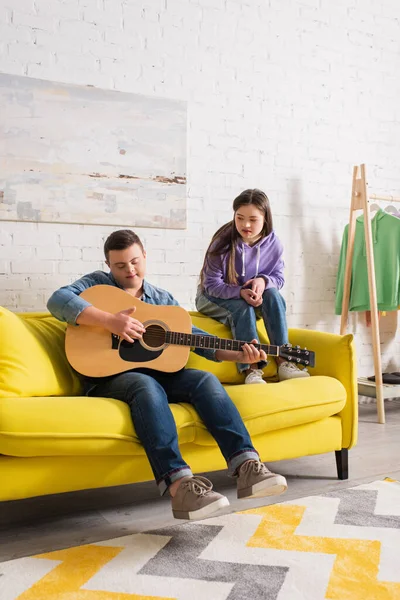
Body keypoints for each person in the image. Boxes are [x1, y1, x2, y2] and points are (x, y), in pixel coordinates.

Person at [47, 229, 288, 521]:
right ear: (109, 265)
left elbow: (195, 337)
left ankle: (247, 467)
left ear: (145, 256)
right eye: (120, 266)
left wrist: (237, 354)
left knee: (204, 380)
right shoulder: (97, 285)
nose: (130, 270)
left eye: (135, 261)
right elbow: (58, 300)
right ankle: (180, 486)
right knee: (145, 385)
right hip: (108, 377)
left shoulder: (162, 298)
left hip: (160, 375)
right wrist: (110, 321)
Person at [196, 188, 310, 385]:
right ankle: (251, 369)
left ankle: (284, 361)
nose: (245, 224)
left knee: (273, 295)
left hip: (250, 296)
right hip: (212, 297)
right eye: (239, 218)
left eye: (253, 219)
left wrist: (263, 281)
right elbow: (212, 285)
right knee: (242, 308)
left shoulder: (274, 244)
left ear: (265, 218)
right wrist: (240, 292)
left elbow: (279, 277)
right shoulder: (221, 243)